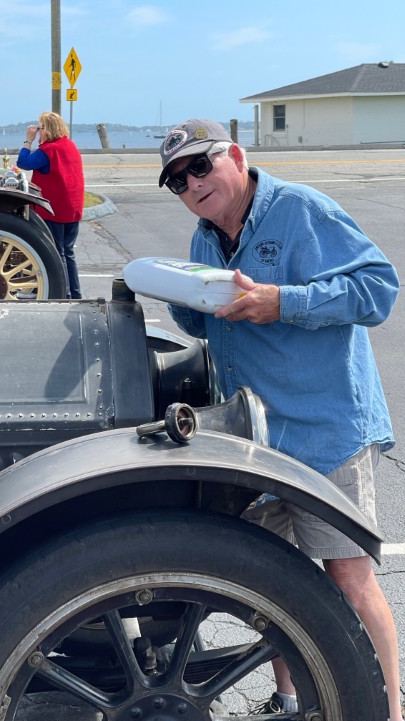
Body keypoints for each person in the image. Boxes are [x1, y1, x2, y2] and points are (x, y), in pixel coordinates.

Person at [158, 118, 402, 719]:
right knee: (275, 584)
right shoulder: (205, 236)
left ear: (236, 157)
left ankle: (389, 709)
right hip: (257, 439)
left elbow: (378, 289)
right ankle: (289, 701)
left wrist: (283, 302)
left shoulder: (300, 210)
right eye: (178, 180)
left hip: (326, 432)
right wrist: (180, 294)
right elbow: (203, 323)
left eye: (200, 165)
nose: (192, 184)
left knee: (347, 576)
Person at [16, 111, 84, 299]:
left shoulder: (49, 150)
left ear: (49, 130)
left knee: (58, 253)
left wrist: (28, 140)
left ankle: (64, 294)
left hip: (55, 210)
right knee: (68, 252)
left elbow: (23, 162)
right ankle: (75, 294)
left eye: (41, 128)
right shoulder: (70, 145)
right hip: (72, 208)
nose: (39, 132)